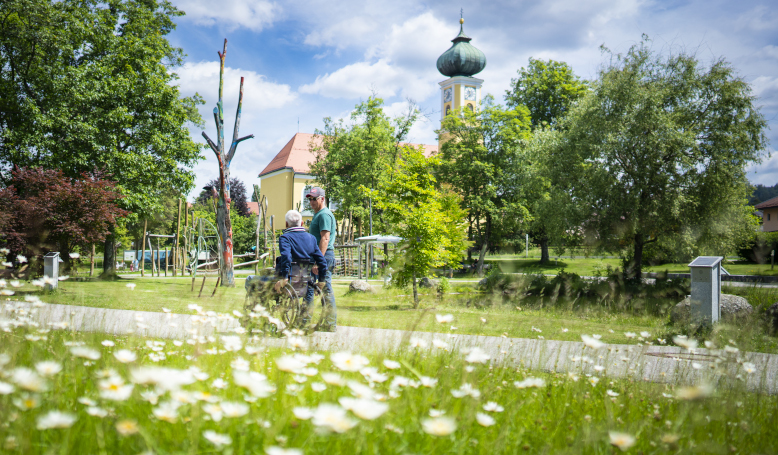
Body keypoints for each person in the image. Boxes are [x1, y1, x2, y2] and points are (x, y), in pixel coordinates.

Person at [304, 187, 337, 331]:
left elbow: (325, 238)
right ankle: (311, 320)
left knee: (326, 289)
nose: (311, 202)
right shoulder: (318, 214)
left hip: (324, 256)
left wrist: (319, 261)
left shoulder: (324, 215)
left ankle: (330, 324)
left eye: (314, 198)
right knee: (313, 288)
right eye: (310, 199)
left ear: (322, 199)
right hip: (319, 256)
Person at [274, 210, 328, 298]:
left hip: (288, 279)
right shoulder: (312, 238)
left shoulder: (285, 238)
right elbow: (322, 261)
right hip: (304, 279)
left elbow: (287, 257)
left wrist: (284, 277)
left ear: (286, 224)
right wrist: (321, 280)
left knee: (251, 279)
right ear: (302, 223)